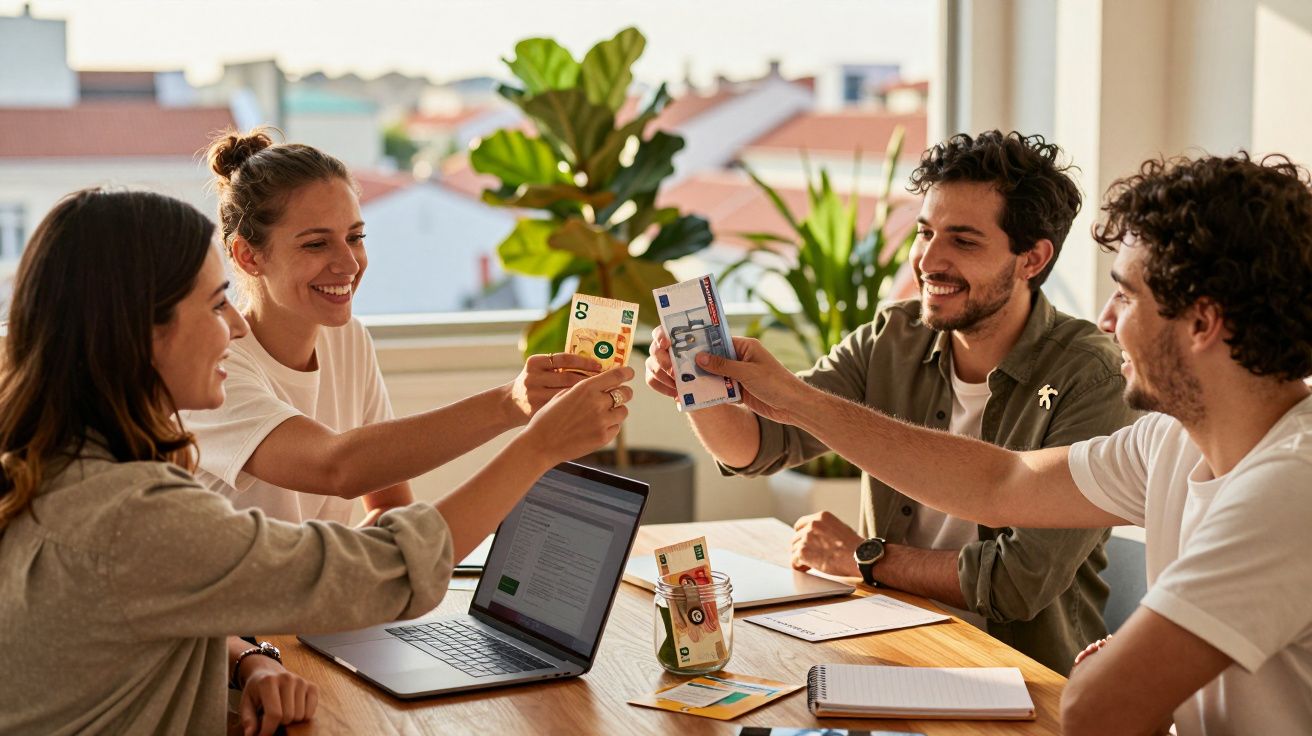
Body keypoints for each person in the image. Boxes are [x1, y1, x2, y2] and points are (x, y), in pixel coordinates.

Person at [682, 153, 1312, 735]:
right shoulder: (1169, 440)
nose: (1107, 319)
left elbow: (1098, 708)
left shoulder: (1289, 487)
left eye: (1126, 294)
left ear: (1202, 322)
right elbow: (999, 484)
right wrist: (796, 399)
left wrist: (1112, 675)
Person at [0, 188, 633, 735]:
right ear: (140, 332)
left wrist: (243, 658)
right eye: (216, 303)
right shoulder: (130, 515)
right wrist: (537, 447)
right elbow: (380, 568)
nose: (235, 329)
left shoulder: (54, 472)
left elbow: (152, 603)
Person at [648, 130, 1138, 673]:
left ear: (1031, 258)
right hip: (890, 649)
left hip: (1022, 677)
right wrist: (699, 384)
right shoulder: (892, 338)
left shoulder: (1092, 377)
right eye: (925, 232)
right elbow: (760, 446)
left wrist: (866, 559)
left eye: (964, 241)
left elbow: (1017, 583)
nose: (929, 260)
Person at [180, 128, 603, 527]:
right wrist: (510, 403)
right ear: (248, 256)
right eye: (316, 243)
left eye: (355, 237)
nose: (348, 264)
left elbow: (389, 509)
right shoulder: (211, 368)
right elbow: (338, 467)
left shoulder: (347, 340)